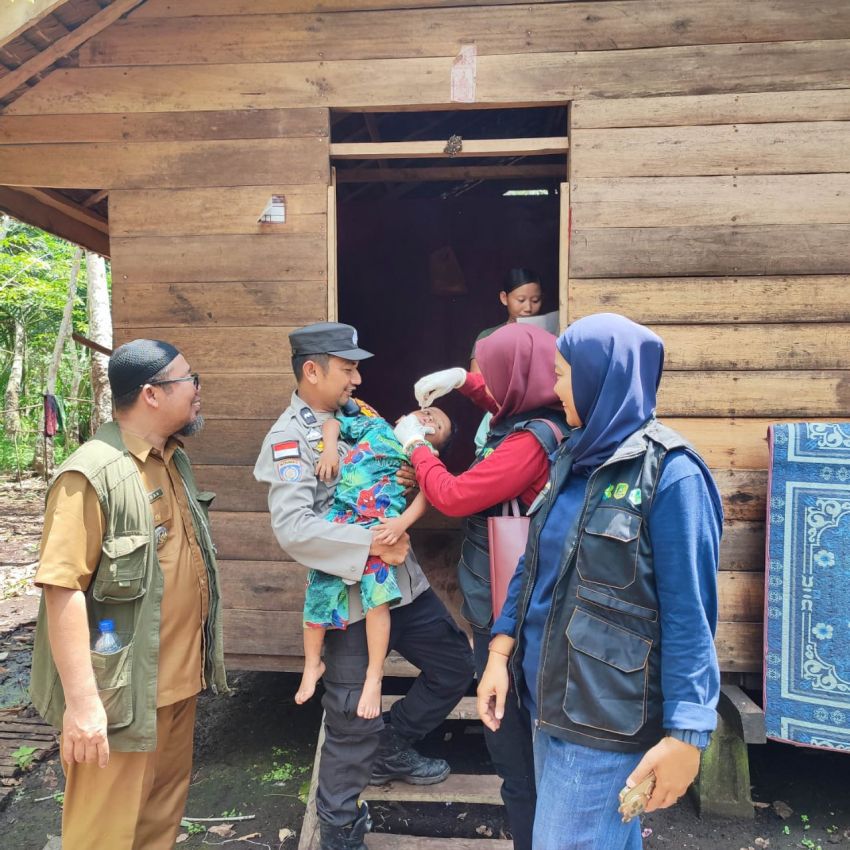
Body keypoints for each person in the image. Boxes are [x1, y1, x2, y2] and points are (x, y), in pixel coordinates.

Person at [476, 313, 723, 850]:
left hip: (606, 720)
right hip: (546, 701)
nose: (555, 388)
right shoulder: (574, 456)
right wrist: (499, 652)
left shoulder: (671, 474)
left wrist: (688, 734)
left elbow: (691, 614)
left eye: (562, 374)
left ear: (599, 377)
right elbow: (532, 565)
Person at [253, 322, 473, 850]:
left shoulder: (362, 412)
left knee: (453, 665)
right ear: (312, 370)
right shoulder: (290, 439)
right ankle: (339, 827)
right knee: (351, 719)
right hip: (349, 596)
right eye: (347, 369)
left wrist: (414, 471)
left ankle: (393, 744)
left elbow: (402, 459)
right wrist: (372, 544)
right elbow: (295, 529)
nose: (357, 378)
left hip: (403, 584)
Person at [29, 339, 228, 850]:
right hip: (119, 699)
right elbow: (61, 589)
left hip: (175, 688)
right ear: (151, 394)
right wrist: (83, 706)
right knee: (104, 837)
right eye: (189, 380)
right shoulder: (90, 474)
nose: (198, 389)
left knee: (157, 827)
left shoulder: (172, 460)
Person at [392, 323, 569, 850]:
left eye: (490, 374)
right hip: (518, 602)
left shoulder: (528, 443)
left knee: (515, 759)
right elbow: (502, 403)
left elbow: (454, 496)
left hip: (510, 612)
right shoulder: (546, 416)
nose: (486, 385)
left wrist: (417, 446)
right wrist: (463, 382)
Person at [295, 399, 455, 720]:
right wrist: (329, 451)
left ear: (434, 444)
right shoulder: (374, 424)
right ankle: (312, 663)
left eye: (438, 426)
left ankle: (374, 676)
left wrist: (401, 524)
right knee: (318, 591)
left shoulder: (421, 453)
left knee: (378, 602)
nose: (429, 419)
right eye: (428, 412)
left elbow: (430, 492)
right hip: (342, 520)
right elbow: (334, 423)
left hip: (380, 529)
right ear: (404, 416)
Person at [469, 268, 544, 452]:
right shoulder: (488, 337)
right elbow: (477, 383)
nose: (528, 308)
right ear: (504, 298)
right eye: (521, 300)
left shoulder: (548, 333)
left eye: (535, 300)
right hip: (499, 417)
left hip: (539, 419)